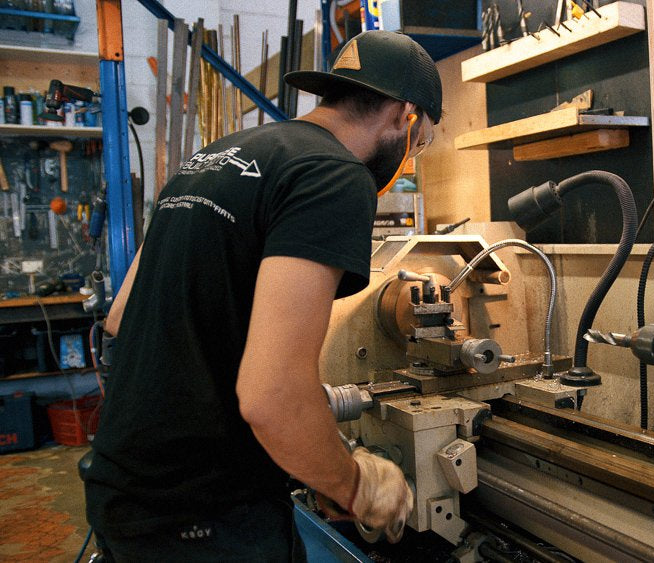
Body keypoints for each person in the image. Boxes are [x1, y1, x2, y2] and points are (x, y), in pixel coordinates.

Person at [83, 30, 442, 561]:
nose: (410, 155)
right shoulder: (335, 175)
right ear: (403, 116)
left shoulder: (215, 156)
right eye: (421, 141)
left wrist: (310, 454)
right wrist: (353, 484)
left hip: (125, 485)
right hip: (207, 509)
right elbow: (271, 397)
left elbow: (122, 316)